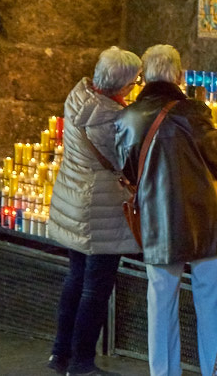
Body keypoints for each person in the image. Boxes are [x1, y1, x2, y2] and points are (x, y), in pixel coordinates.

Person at [114, 45, 217, 376]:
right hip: (202, 222)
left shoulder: (129, 118)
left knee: (161, 306)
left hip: (158, 223)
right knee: (210, 303)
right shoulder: (194, 113)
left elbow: (125, 171)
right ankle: (215, 370)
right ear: (179, 75)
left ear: (145, 77)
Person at [46, 46, 143, 376]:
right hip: (100, 211)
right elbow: (127, 164)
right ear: (125, 85)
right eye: (134, 81)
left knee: (75, 279)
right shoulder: (112, 121)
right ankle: (82, 362)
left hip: (72, 200)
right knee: (95, 289)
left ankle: (60, 354)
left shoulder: (78, 97)